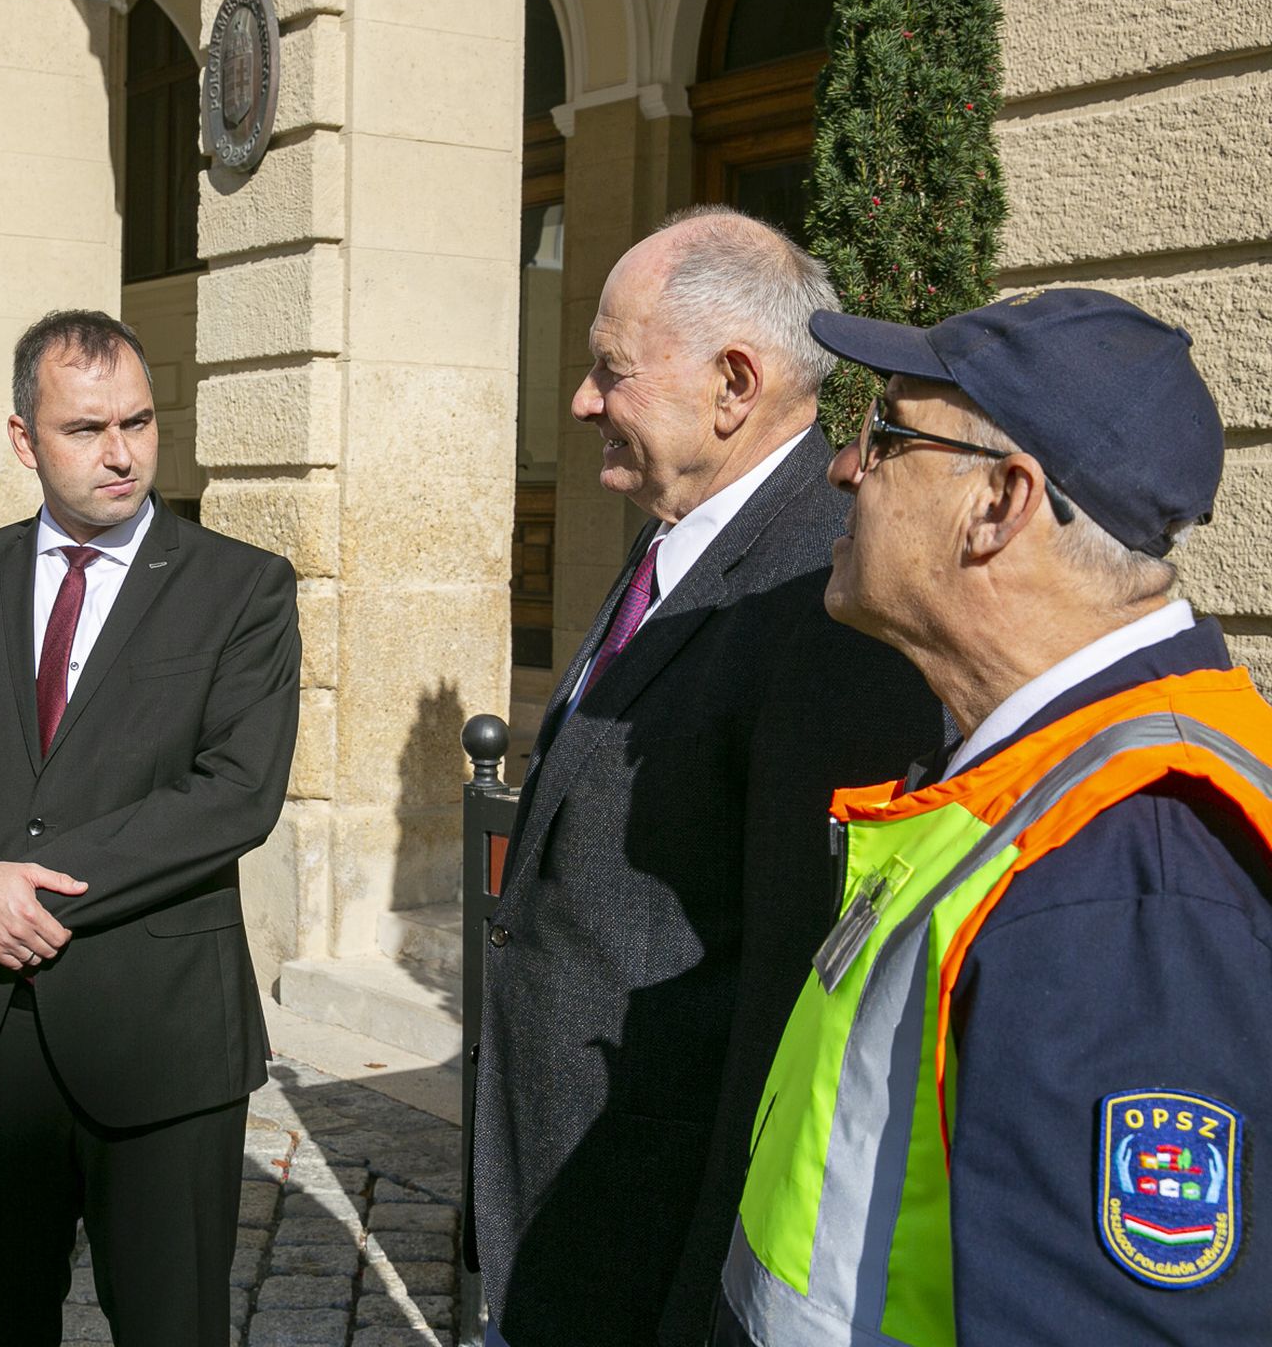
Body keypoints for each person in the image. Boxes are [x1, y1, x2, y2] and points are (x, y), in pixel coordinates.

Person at [715, 288, 1272, 1344]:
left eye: (883, 434)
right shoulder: (1040, 779)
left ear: (1000, 505)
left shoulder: (1130, 872)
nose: (844, 467)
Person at [469, 207, 944, 1346]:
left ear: (735, 383)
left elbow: (788, 987)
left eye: (611, 372)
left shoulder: (821, 589)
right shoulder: (680, 524)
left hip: (648, 1232)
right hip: (565, 1193)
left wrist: (700, 1304)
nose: (583, 400)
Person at [0, 309, 300, 1346]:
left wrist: (26, 883)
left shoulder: (240, 588)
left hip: (162, 1041)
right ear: (24, 439)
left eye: (140, 423)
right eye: (86, 429)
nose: (122, 453)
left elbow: (236, 792)